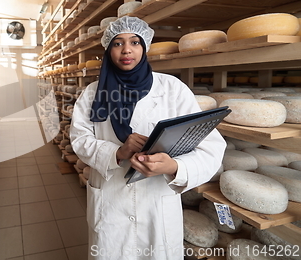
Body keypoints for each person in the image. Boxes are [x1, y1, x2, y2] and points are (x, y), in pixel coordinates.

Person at [69, 16, 226, 260]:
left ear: (145, 47)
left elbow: (210, 146)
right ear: (109, 50)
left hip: (157, 202)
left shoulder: (172, 89)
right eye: (118, 43)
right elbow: (80, 139)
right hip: (112, 200)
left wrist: (174, 166)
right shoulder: (92, 93)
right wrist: (117, 152)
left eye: (135, 42)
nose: (126, 50)